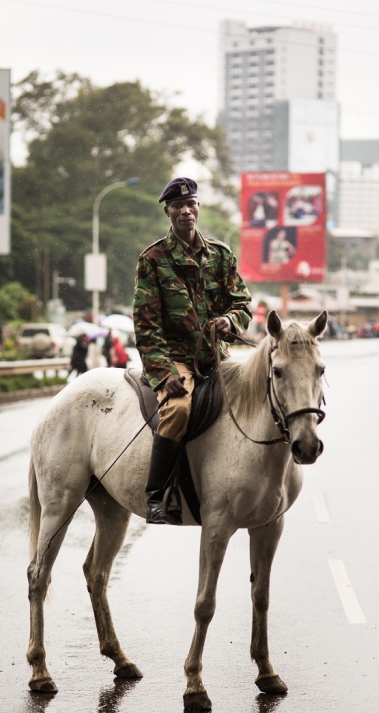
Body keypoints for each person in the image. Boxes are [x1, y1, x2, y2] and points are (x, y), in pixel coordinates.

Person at [133, 177, 253, 526]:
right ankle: (157, 496)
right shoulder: (153, 259)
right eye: (178, 206)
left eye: (191, 204)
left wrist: (230, 321)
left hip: (217, 358)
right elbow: (145, 324)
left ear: (198, 208)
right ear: (168, 212)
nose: (185, 211)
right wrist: (164, 373)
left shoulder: (221, 255)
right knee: (179, 410)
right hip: (176, 359)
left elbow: (242, 303)